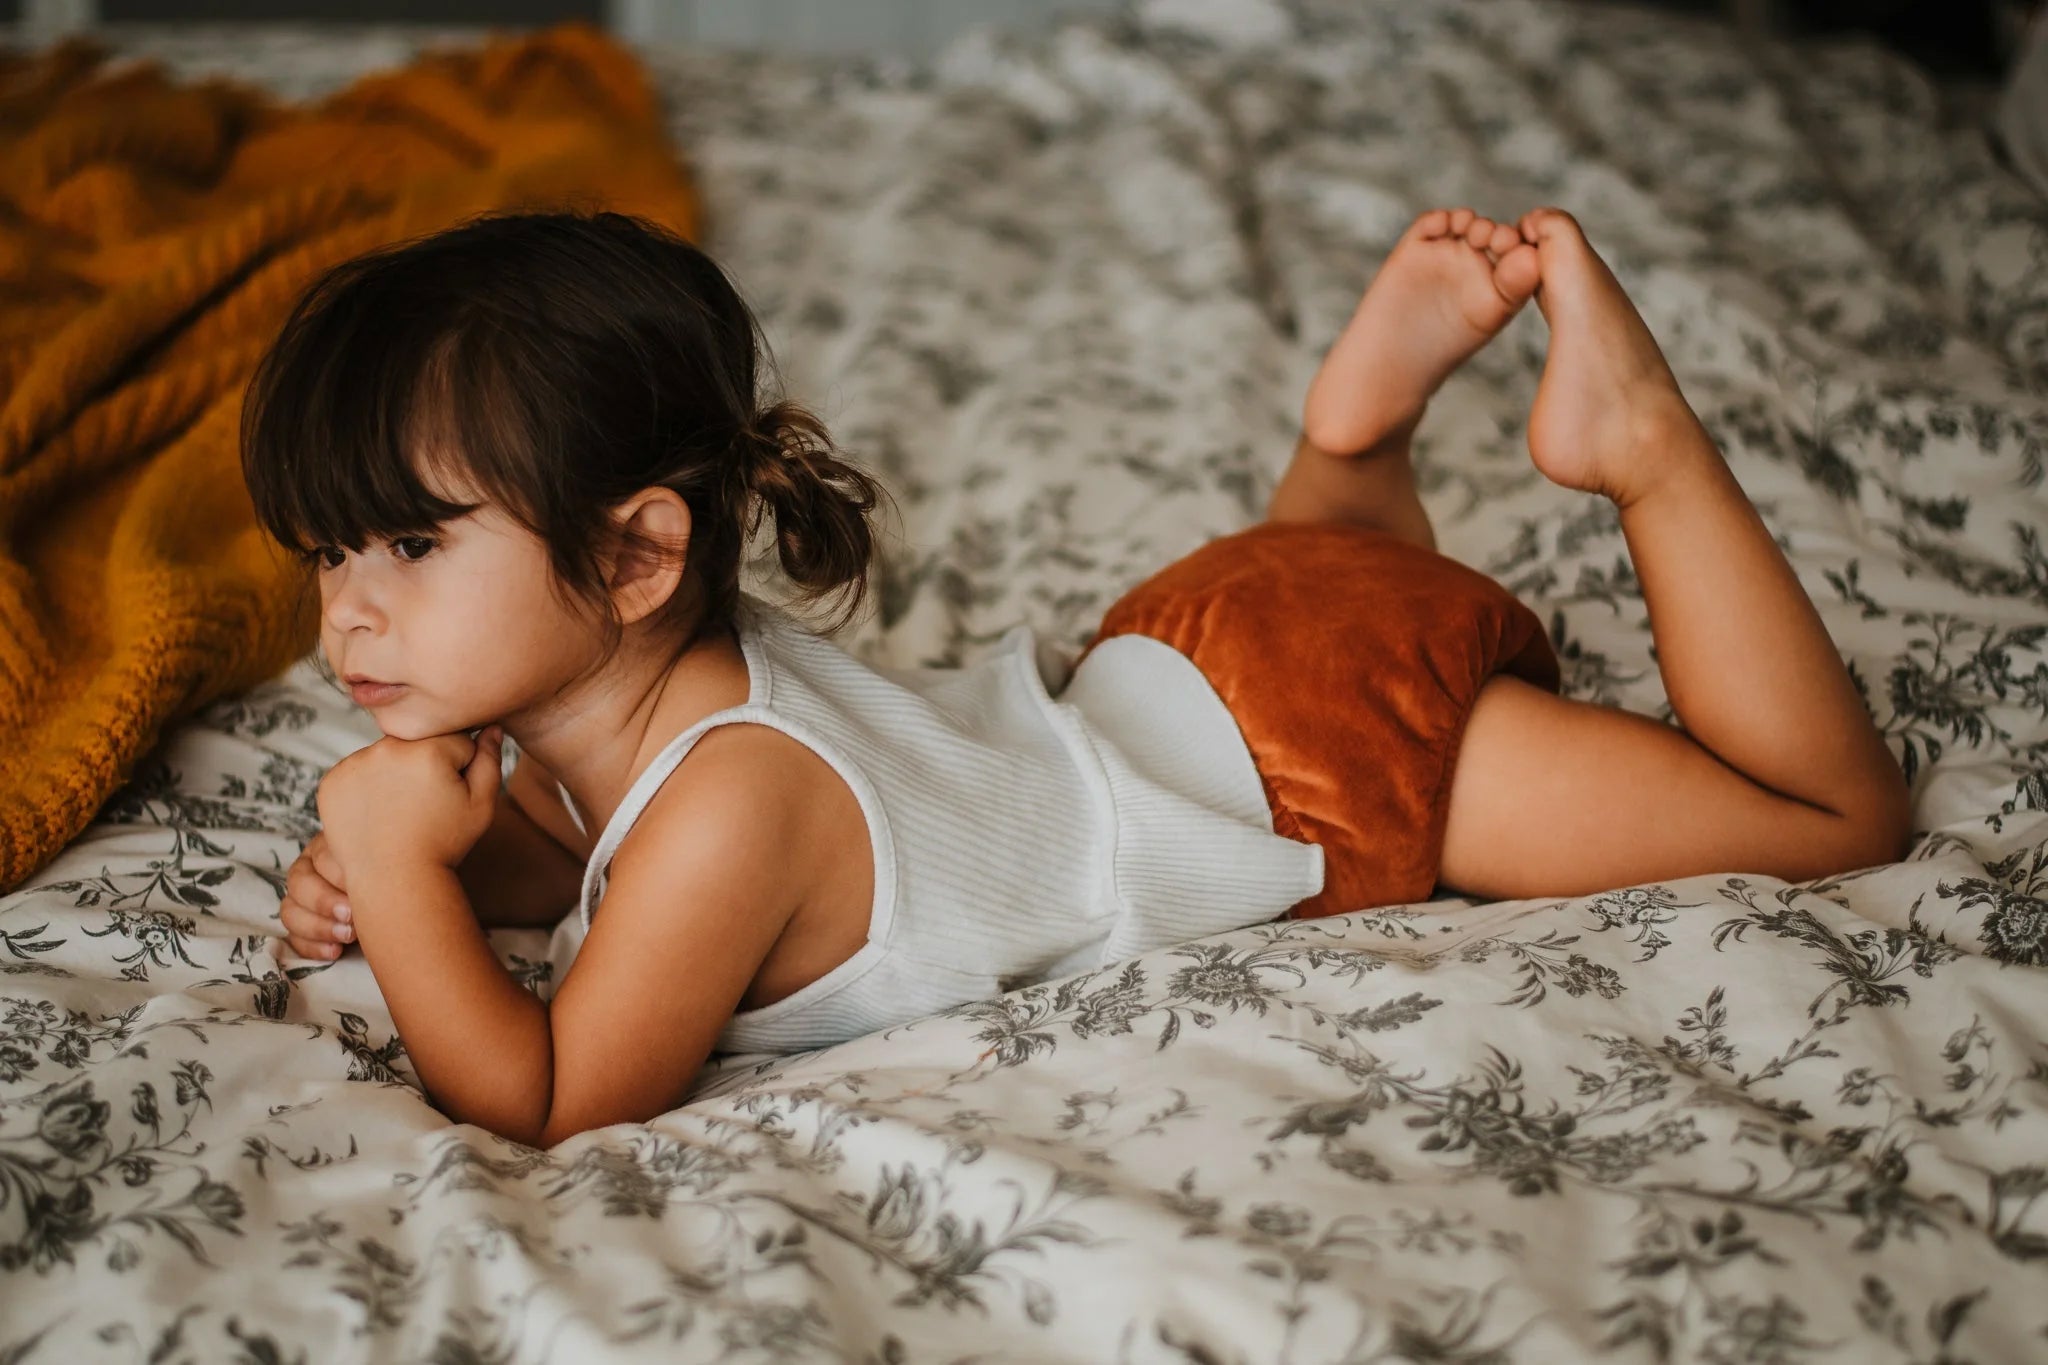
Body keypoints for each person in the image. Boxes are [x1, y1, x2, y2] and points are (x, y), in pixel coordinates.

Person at [248, 206, 1910, 1148]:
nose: (351, 618)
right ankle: (1352, 449)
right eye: (334, 554)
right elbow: (573, 859)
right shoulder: (626, 713)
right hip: (1185, 642)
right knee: (1345, 590)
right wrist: (444, 861)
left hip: (1309, 753)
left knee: (1825, 819)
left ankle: (1648, 454)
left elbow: (548, 1095)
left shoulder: (735, 802)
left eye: (407, 550)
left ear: (632, 557)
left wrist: (399, 876)